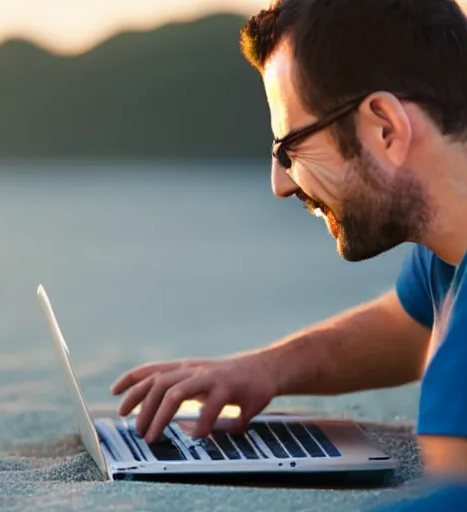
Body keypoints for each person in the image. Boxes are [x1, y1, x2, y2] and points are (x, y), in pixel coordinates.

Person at [110, 0, 467, 479]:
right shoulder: (447, 256)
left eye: (289, 148)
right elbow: (410, 321)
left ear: (385, 127)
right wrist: (266, 370)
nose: (281, 184)